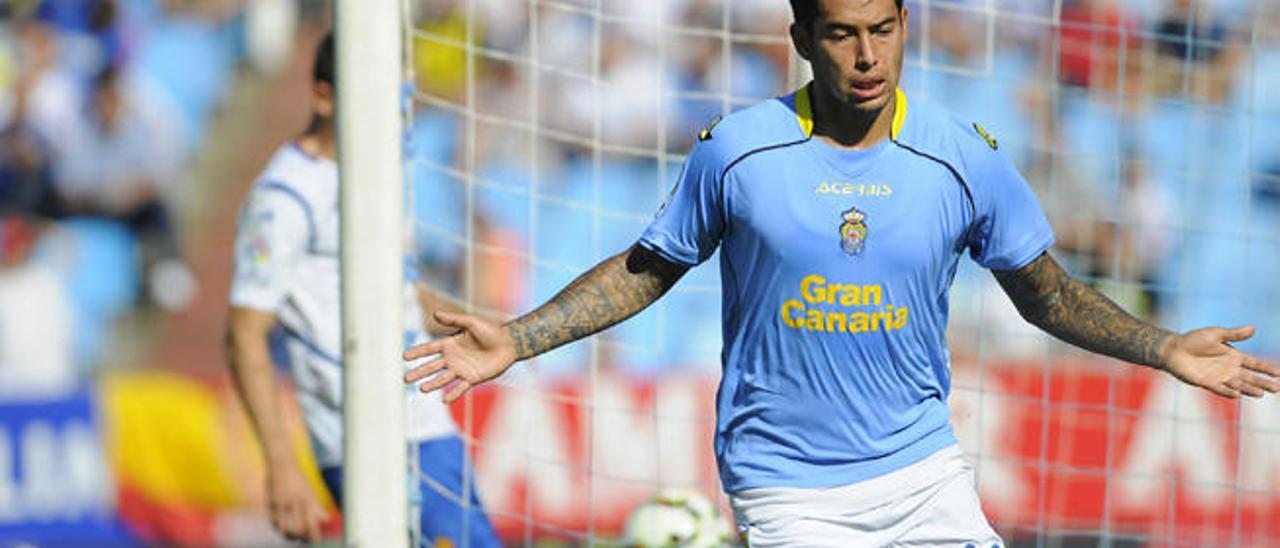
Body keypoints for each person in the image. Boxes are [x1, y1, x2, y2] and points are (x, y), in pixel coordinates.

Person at [403, 1, 1280, 545]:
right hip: (789, 489)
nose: (867, 57)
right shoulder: (738, 151)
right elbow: (647, 268)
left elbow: (1044, 291)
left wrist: (1163, 346)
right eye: (844, 33)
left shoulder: (961, 157)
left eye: (884, 29)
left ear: (906, 27)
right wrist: (518, 338)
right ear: (802, 37)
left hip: (924, 473)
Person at [226, 34, 499, 547]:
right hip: (360, 433)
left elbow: (395, 287)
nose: (391, 112)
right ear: (325, 97)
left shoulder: (374, 173)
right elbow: (243, 334)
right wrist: (281, 466)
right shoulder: (284, 198)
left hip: (421, 416)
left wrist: (466, 324)